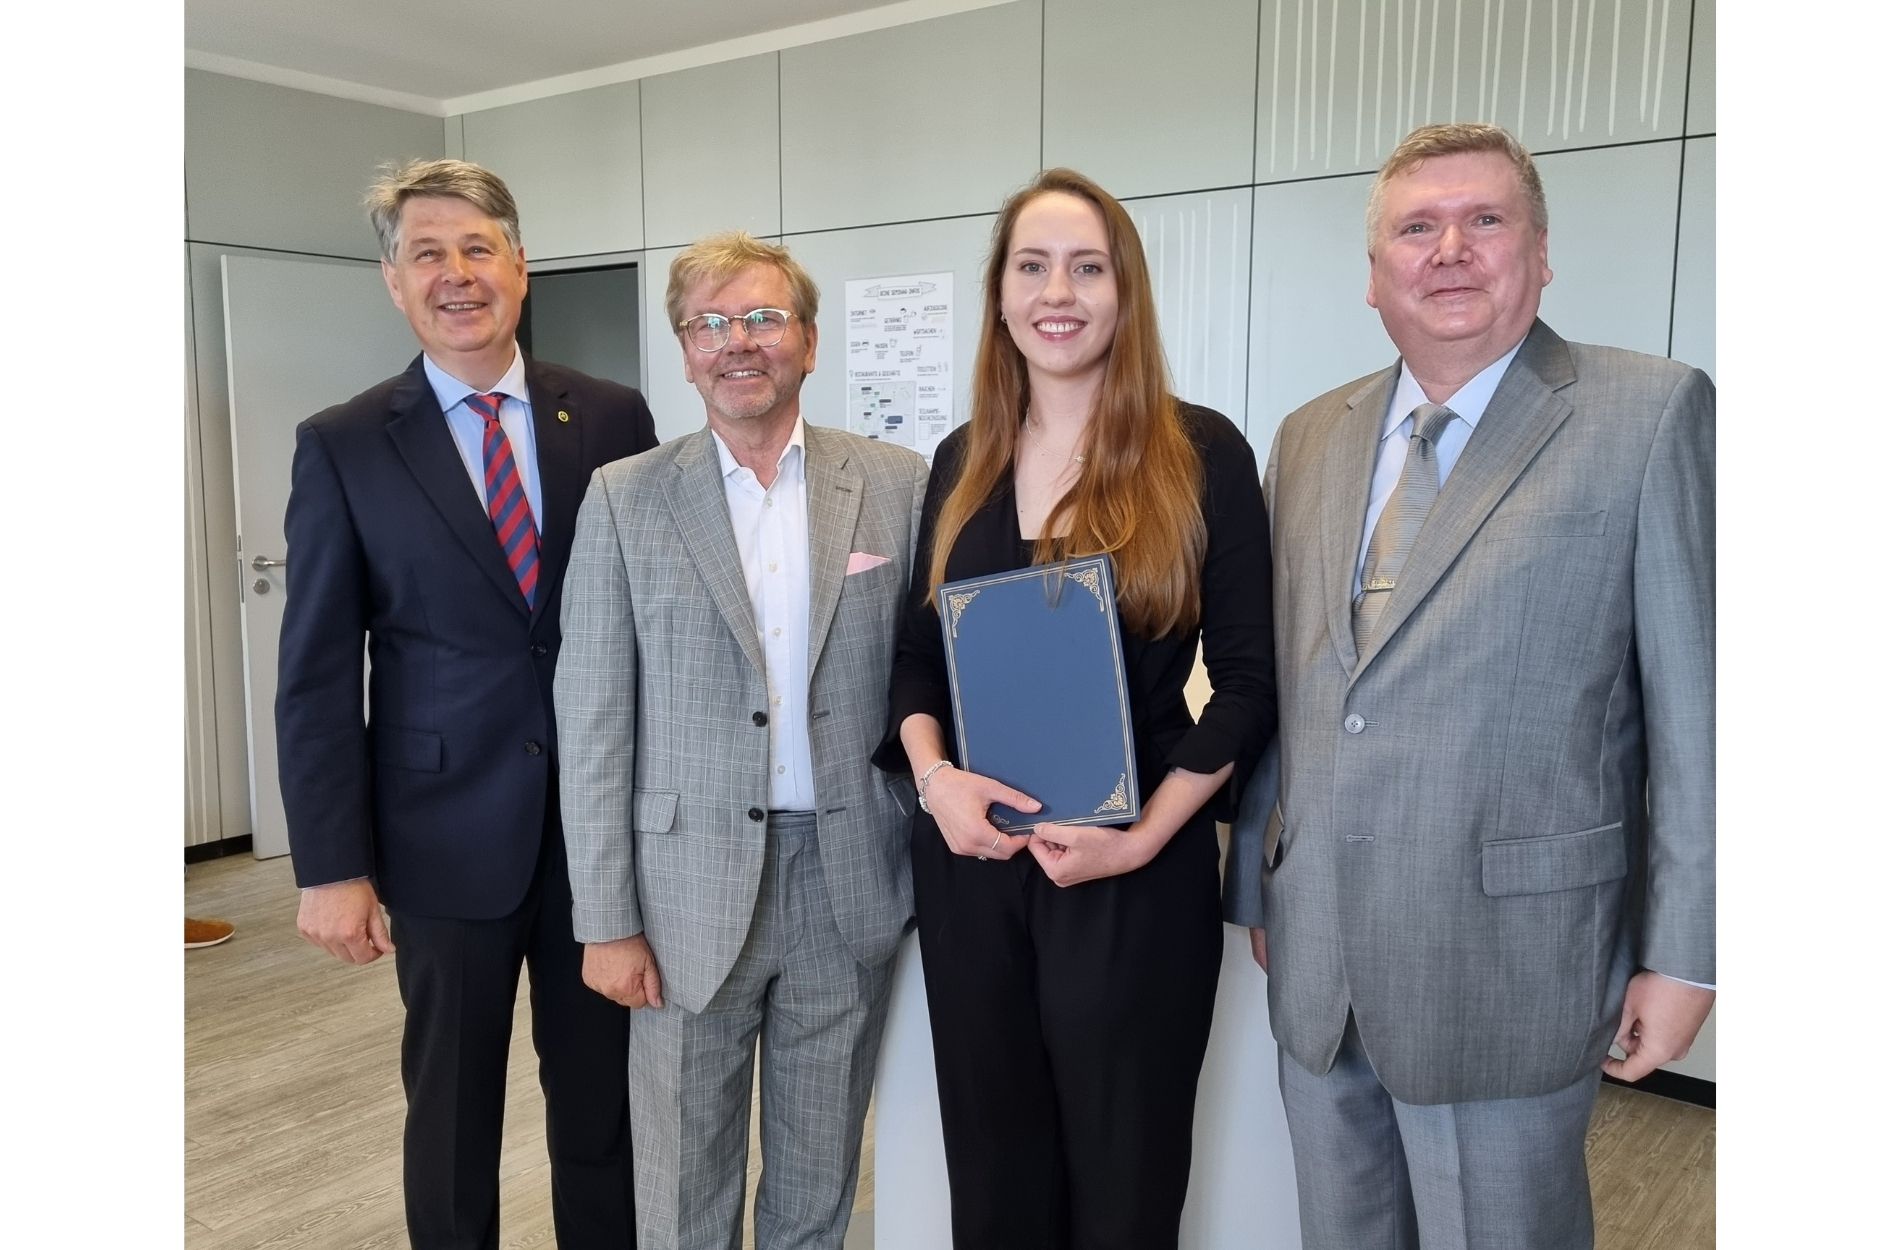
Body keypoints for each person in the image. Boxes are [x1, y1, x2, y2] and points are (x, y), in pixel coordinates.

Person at [1223, 122, 1715, 1249]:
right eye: (1416, 226)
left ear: (1539, 254)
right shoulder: (1309, 437)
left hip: (1514, 961)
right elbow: (1304, 682)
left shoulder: (1647, 413)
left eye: (1484, 220)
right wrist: (1262, 878)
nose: (1449, 248)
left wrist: (1685, 951)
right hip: (1321, 957)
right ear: (1373, 275)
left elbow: (1700, 718)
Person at [877, 168, 1277, 1249]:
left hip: (1133, 872)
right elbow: (916, 658)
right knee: (995, 1182)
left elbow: (1248, 684)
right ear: (1001, 294)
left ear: (1123, 290)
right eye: (1033, 264)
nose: (1060, 291)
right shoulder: (962, 460)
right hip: (974, 865)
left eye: (1087, 266)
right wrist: (935, 780)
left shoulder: (1203, 452)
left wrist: (1142, 837)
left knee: (1124, 1183)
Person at [276, 158, 655, 1249]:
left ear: (520, 267)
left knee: (603, 1105)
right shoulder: (344, 442)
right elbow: (313, 670)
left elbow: (650, 618)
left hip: (600, 835)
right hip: (440, 839)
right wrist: (331, 864)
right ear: (392, 282)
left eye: (477, 248)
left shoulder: (612, 415)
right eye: (426, 254)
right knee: (450, 1113)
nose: (456, 274)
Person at [554, 232, 930, 1250]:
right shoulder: (624, 496)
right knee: (681, 1175)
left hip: (846, 879)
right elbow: (591, 720)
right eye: (709, 324)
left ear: (808, 340)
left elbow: (929, 673)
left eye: (763, 317)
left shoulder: (899, 481)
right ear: (682, 351)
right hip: (681, 893)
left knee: (818, 1173)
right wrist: (605, 918)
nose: (738, 343)